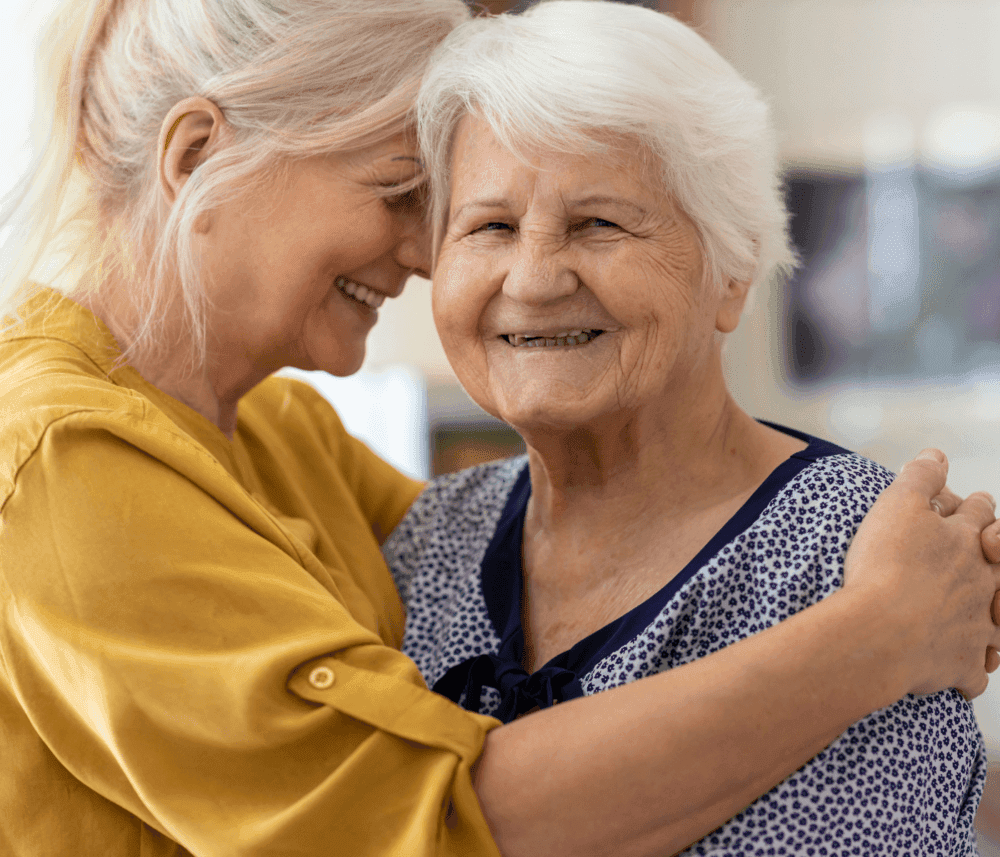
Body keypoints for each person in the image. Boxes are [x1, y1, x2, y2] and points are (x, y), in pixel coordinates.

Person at [0, 0, 997, 855]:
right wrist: (876, 634)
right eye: (418, 201)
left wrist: (945, 577)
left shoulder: (281, 433)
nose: (424, 255)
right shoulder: (60, 459)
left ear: (733, 271)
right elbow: (430, 820)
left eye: (601, 221)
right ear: (196, 156)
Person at [383, 3, 1000, 855]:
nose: (532, 277)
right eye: (490, 226)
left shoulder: (870, 558)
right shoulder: (424, 542)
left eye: (598, 222)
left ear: (733, 270)